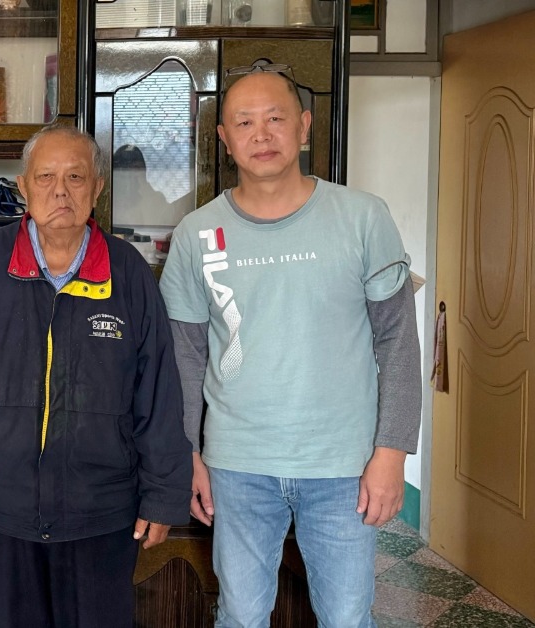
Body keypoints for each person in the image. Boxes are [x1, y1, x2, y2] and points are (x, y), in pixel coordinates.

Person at [158, 65, 420, 627]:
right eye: (244, 123)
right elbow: (185, 355)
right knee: (240, 616)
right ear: (224, 139)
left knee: (347, 618)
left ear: (304, 126)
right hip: (236, 464)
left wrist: (392, 452)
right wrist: (188, 453)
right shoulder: (197, 233)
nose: (262, 134)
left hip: (345, 465)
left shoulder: (363, 217)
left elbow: (398, 341)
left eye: (276, 118)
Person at [0, 125, 193, 627]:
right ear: (23, 187)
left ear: (97, 188)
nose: (60, 192)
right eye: (45, 177)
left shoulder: (128, 271)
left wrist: (164, 494)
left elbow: (159, 392)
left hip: (102, 512)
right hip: (3, 509)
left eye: (75, 177)